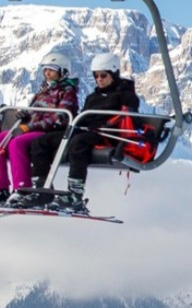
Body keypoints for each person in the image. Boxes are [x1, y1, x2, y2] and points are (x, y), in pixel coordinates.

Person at [18, 52, 140, 214]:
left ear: (114, 74)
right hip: (86, 130)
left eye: (103, 75)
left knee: (78, 144)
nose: (99, 79)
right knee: (40, 142)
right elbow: (84, 117)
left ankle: (75, 196)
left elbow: (128, 118)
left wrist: (105, 124)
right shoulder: (93, 96)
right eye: (96, 76)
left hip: (107, 133)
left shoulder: (126, 95)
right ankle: (42, 190)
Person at [0, 51, 79, 208]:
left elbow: (59, 117)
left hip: (47, 132)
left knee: (17, 143)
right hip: (29, 127)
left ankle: (22, 188)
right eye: (45, 70)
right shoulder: (43, 90)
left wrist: (30, 126)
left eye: (52, 70)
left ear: (62, 72)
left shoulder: (67, 91)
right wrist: (25, 114)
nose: (47, 73)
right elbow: (35, 110)